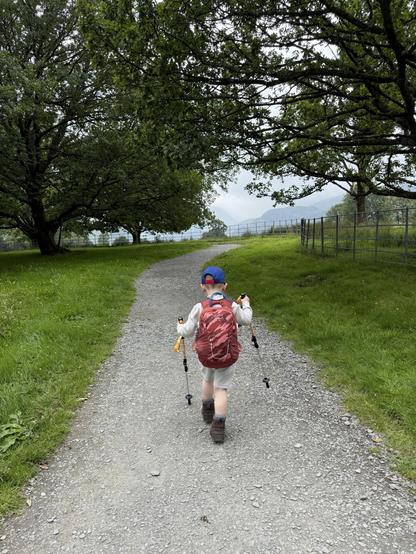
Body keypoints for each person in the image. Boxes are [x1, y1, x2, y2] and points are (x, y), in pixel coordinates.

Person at [177, 266, 252, 443]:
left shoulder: (199, 307)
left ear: (202, 286)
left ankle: (207, 410)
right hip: (227, 355)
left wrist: (178, 326)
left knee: (208, 380)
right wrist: (246, 303)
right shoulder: (232, 305)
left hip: (206, 355)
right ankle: (218, 427)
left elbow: (186, 331)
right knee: (221, 389)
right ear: (225, 286)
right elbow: (246, 320)